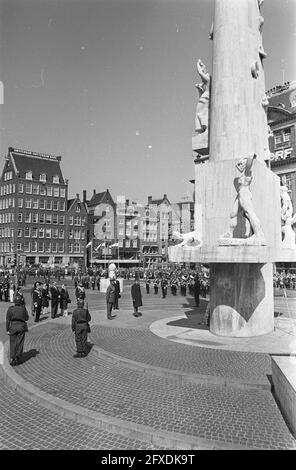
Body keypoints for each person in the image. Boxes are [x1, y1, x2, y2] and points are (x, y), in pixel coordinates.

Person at [6, 294, 29, 366]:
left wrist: (7, 329)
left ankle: (12, 358)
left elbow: (8, 320)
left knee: (12, 343)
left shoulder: (10, 309)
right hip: (21, 326)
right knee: (20, 342)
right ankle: (17, 357)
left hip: (13, 326)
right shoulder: (23, 308)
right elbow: (26, 318)